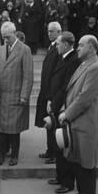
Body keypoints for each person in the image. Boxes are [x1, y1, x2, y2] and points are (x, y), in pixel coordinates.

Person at [58, 35, 98, 194]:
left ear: (92, 48)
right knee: (77, 162)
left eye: (81, 45)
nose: (77, 48)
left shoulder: (95, 68)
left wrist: (66, 114)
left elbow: (84, 98)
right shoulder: (85, 64)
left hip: (85, 125)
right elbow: (73, 92)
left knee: (87, 165)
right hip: (76, 124)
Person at [0, 22, 34, 166]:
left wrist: (24, 96)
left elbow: (28, 75)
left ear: (14, 33)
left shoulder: (25, 50)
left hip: (16, 95)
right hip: (3, 95)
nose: (5, 40)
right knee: (1, 129)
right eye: (3, 37)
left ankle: (14, 156)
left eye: (8, 37)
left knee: (14, 130)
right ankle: (0, 155)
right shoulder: (2, 49)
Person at [45, 32, 80, 193]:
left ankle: (67, 182)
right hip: (56, 104)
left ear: (66, 44)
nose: (56, 46)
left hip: (63, 107)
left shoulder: (73, 60)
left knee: (65, 146)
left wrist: (54, 103)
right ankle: (60, 177)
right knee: (58, 144)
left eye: (59, 43)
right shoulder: (62, 56)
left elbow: (66, 86)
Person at [34, 21, 61, 164]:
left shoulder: (58, 48)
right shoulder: (51, 47)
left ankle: (54, 153)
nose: (49, 33)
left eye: (52, 31)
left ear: (59, 32)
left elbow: (55, 75)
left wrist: (51, 96)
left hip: (51, 94)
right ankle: (49, 150)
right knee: (48, 124)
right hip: (46, 91)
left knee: (53, 124)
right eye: (49, 31)